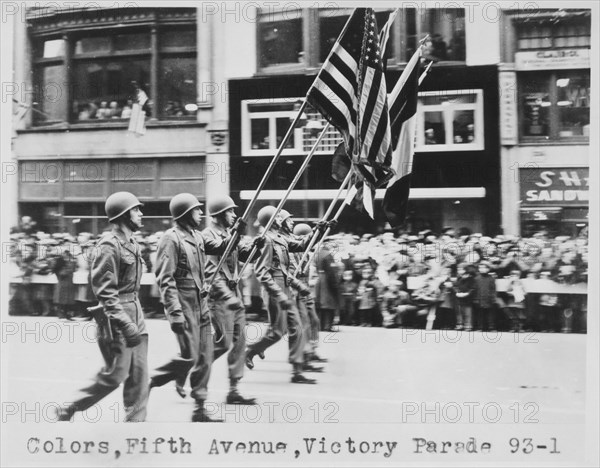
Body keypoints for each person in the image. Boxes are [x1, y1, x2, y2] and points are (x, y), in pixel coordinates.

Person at [57, 192, 148, 422]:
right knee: (115, 375)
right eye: (136, 210)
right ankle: (71, 407)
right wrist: (125, 324)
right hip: (117, 318)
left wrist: (134, 320)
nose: (141, 214)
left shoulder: (132, 243)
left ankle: (136, 426)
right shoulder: (108, 245)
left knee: (139, 376)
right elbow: (105, 292)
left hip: (135, 311)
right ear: (124, 214)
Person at [150, 193, 233, 422]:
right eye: (196, 210)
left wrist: (238, 234)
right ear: (185, 213)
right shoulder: (171, 238)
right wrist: (175, 312)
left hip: (201, 303)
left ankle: (200, 408)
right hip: (183, 304)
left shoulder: (196, 236)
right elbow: (165, 278)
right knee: (191, 356)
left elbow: (219, 247)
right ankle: (153, 379)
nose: (200, 214)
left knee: (205, 357)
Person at [244, 206, 325, 384]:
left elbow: (302, 246)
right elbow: (262, 272)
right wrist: (279, 295)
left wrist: (319, 230)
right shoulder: (265, 239)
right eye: (278, 217)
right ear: (272, 220)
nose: (282, 219)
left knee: (297, 328)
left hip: (285, 288)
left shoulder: (279, 238)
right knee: (277, 331)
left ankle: (297, 370)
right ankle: (250, 351)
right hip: (275, 290)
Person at [202, 195, 262, 405]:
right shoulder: (207, 235)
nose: (234, 215)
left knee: (239, 343)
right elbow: (212, 271)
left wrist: (257, 246)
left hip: (234, 293)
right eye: (230, 212)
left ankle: (234, 390)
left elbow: (243, 254)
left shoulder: (229, 233)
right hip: (219, 297)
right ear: (218, 215)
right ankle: (193, 370)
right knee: (223, 343)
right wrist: (228, 297)